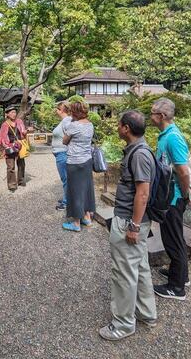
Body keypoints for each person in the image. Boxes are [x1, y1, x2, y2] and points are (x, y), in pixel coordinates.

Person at [99, 110, 157, 341]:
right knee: (140, 267)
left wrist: (133, 226)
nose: (116, 127)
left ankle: (123, 324)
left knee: (123, 272)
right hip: (133, 220)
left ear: (126, 128)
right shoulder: (137, 150)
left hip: (129, 221)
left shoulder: (139, 155)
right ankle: (146, 312)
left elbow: (143, 193)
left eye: (118, 124)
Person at [150, 97, 191, 301]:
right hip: (170, 196)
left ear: (162, 116)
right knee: (176, 237)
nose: (150, 116)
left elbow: (183, 171)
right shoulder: (165, 135)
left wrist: (183, 196)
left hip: (174, 198)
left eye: (153, 113)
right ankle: (181, 275)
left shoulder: (173, 137)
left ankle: (177, 287)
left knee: (173, 240)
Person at [62, 100, 95, 232]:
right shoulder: (90, 125)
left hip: (74, 162)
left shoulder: (73, 125)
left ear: (74, 112)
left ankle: (76, 223)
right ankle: (87, 217)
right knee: (86, 189)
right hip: (87, 161)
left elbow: (65, 141)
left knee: (75, 191)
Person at [0, 106, 27, 192]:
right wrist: (0, 147)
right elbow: (1, 137)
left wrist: (26, 131)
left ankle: (21, 180)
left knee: (21, 164)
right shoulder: (5, 124)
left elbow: (23, 132)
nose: (14, 114)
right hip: (9, 146)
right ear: (7, 114)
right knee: (10, 166)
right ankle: (12, 185)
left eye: (14, 112)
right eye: (11, 112)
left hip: (19, 146)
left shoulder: (19, 121)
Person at [51, 101, 72, 210]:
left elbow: (71, 136)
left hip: (63, 153)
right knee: (65, 178)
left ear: (62, 110)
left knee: (66, 179)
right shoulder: (64, 121)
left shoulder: (67, 121)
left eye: (58, 109)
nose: (56, 111)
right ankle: (66, 198)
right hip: (61, 153)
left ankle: (67, 202)